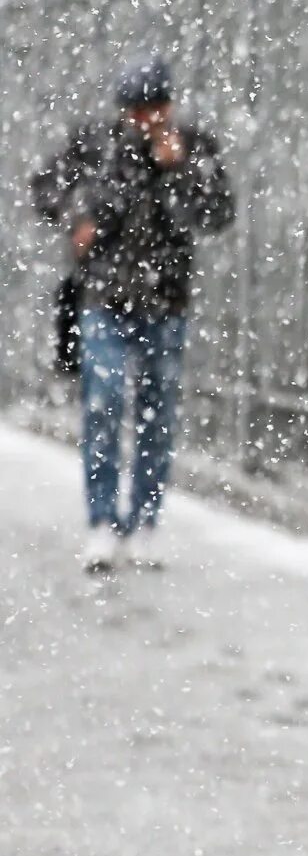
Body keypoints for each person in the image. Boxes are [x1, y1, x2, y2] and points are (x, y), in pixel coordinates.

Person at [30, 54, 235, 573]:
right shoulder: (97, 146)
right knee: (103, 402)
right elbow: (45, 188)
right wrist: (80, 213)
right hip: (104, 299)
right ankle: (101, 521)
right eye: (137, 110)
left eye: (156, 108)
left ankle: (144, 522)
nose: (146, 121)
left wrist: (181, 167)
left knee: (156, 413)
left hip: (166, 302)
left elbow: (218, 214)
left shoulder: (192, 147)